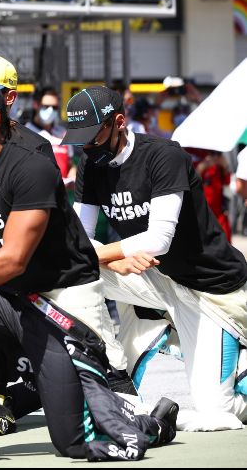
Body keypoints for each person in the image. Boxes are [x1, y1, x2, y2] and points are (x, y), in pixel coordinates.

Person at [0, 77, 178, 465]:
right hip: (7, 300)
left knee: (74, 444)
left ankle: (151, 424)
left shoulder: (31, 167)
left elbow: (14, 258)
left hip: (62, 303)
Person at [67, 85, 247, 431]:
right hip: (154, 280)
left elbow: (158, 240)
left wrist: (105, 255)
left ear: (119, 122)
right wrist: (111, 260)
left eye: (92, 136)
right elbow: (78, 239)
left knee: (215, 414)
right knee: (66, 273)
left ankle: (236, 359)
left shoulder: (164, 155)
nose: (86, 147)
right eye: (80, 139)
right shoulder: (90, 164)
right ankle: (113, 373)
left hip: (209, 290)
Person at [185, 148, 232, 242]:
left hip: (218, 210)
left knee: (225, 241)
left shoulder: (218, 156)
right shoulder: (192, 154)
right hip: (200, 210)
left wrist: (225, 166)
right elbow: (190, 183)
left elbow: (227, 182)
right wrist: (201, 168)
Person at [24, 86, 71, 181]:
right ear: (36, 105)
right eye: (46, 106)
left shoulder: (63, 133)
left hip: (64, 192)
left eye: (54, 107)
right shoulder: (24, 133)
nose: (50, 111)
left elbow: (70, 163)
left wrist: (72, 177)